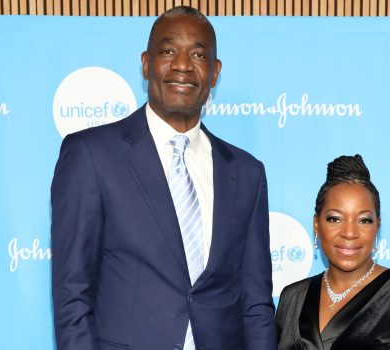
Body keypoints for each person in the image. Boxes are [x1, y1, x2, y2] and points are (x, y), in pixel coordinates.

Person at [51, 6, 276, 350]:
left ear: (214, 73)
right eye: (168, 51)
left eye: (198, 54)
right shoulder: (92, 156)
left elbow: (256, 303)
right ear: (146, 63)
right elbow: (72, 295)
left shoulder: (246, 173)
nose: (183, 65)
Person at [275, 155, 390, 349]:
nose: (349, 233)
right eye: (335, 219)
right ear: (316, 225)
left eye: (364, 220)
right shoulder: (291, 297)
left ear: (377, 227)